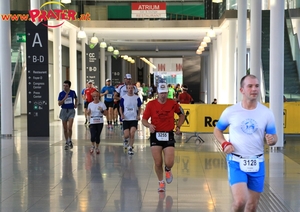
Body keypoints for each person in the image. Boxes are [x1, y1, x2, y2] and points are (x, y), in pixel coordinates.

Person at [213, 74, 278, 212]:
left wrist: (272, 140)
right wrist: (225, 143)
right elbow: (217, 130)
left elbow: (274, 137)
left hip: (257, 163)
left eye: (256, 86)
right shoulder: (231, 111)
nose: (254, 89)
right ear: (242, 90)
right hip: (236, 161)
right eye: (250, 86)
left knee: (252, 206)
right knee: (240, 201)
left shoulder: (266, 113)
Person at [142, 82, 185, 192]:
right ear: (158, 93)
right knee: (158, 162)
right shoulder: (151, 104)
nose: (163, 95)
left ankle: (168, 169)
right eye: (161, 93)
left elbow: (182, 114)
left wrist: (178, 126)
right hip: (155, 134)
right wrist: (149, 125)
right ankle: (161, 182)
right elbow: (144, 120)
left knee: (169, 162)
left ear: (167, 93)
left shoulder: (173, 104)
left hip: (168, 134)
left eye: (165, 93)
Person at [119, 84, 142, 155]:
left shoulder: (137, 98)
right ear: (127, 89)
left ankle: (130, 147)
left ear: (134, 89)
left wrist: (138, 115)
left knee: (132, 133)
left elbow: (139, 107)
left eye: (132, 88)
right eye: (129, 88)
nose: (130, 89)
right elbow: (121, 107)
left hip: (134, 118)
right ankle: (125, 139)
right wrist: (122, 114)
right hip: (126, 118)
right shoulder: (123, 98)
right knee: (126, 135)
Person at [58, 80, 78, 150]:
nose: (65, 87)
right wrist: (64, 98)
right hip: (64, 110)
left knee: (70, 128)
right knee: (65, 128)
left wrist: (76, 104)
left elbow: (76, 98)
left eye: (66, 86)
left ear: (69, 86)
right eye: (64, 86)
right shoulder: (61, 93)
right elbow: (59, 103)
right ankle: (66, 141)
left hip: (71, 110)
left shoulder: (73, 92)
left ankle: (70, 140)